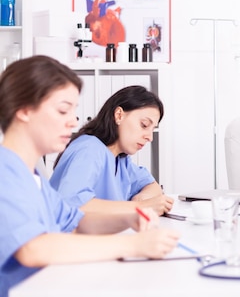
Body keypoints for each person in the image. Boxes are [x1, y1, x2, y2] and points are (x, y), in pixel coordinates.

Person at [0, 56, 179, 297]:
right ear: (24, 110)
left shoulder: (34, 180)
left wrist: (128, 219)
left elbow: (77, 223)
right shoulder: (5, 171)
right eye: (63, 110)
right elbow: (33, 248)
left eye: (74, 111)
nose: (73, 120)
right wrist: (134, 245)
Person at [50, 85, 174, 215]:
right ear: (119, 115)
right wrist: (139, 207)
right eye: (144, 125)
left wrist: (139, 200)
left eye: (152, 129)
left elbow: (152, 186)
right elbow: (71, 204)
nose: (149, 137)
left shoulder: (121, 160)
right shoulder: (89, 149)